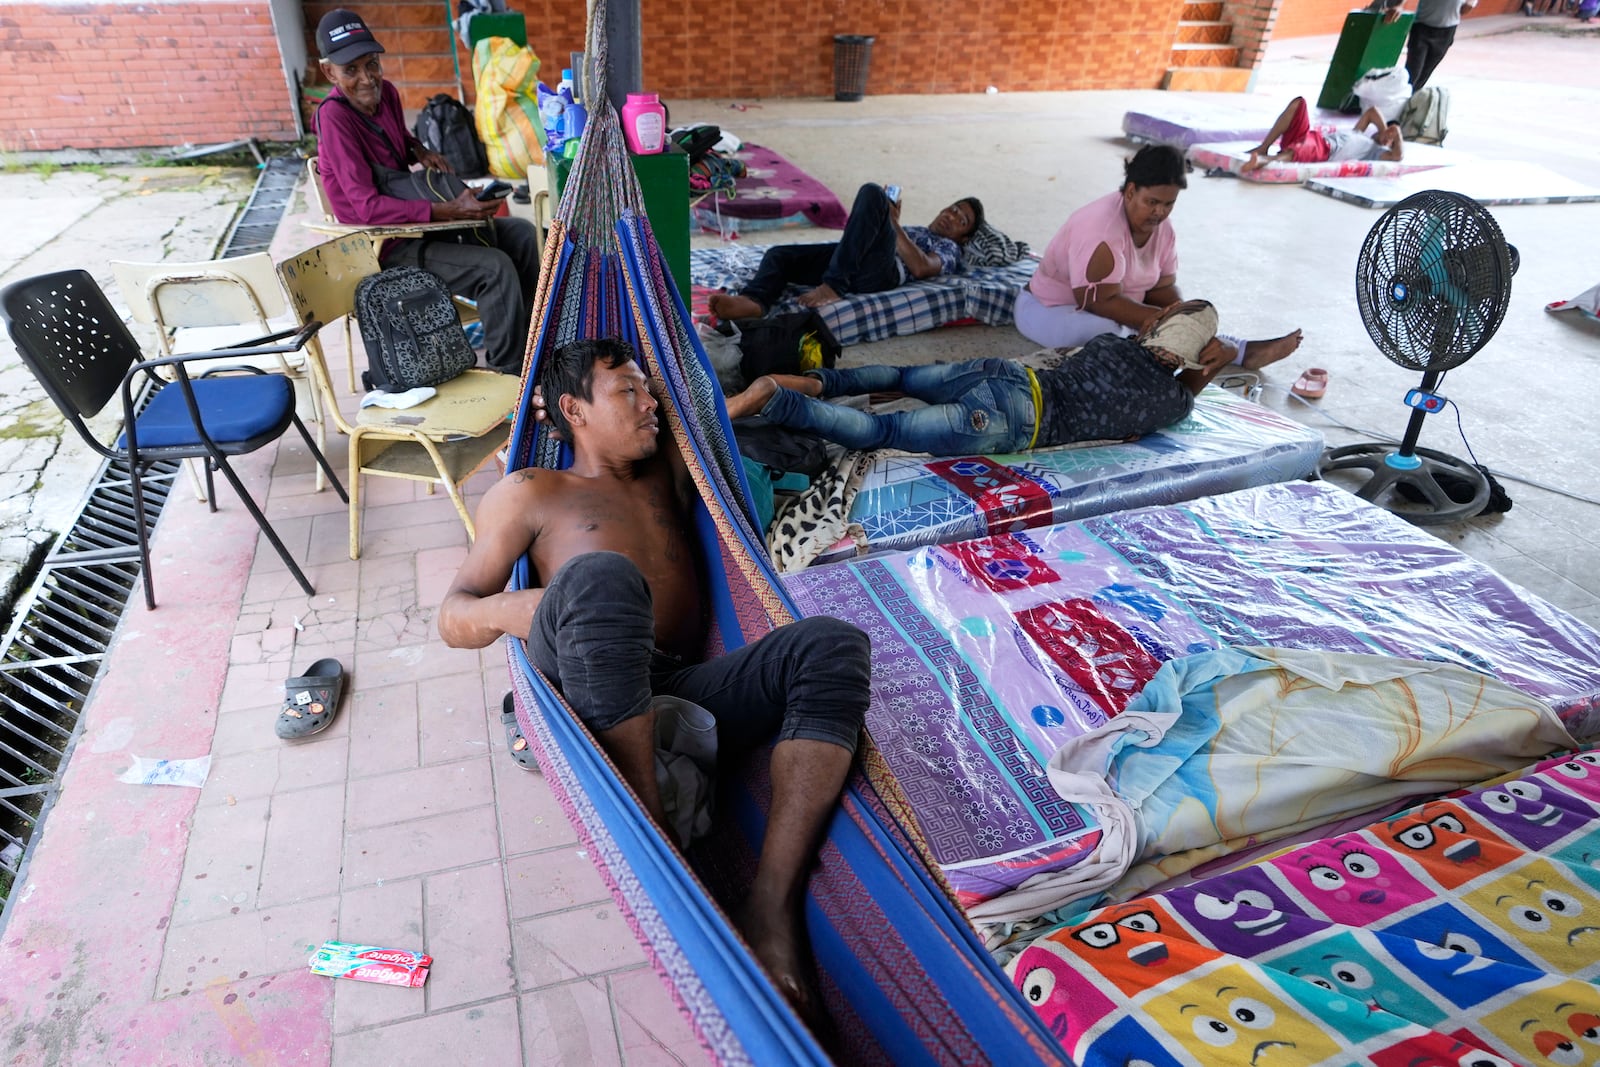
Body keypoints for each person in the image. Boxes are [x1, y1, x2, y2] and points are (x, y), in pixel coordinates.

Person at [437, 338, 871, 1027]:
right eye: (629, 393)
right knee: (603, 576)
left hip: (677, 684)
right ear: (574, 409)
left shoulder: (671, 465)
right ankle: (658, 846)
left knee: (832, 645)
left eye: (650, 392)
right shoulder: (531, 491)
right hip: (587, 675)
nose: (651, 406)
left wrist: (738, 388)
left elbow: (705, 410)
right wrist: (532, 607)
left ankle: (770, 906)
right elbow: (453, 616)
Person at [313, 8, 540, 376]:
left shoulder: (386, 94)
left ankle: (535, 347)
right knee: (494, 268)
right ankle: (510, 377)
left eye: (371, 64)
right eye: (350, 70)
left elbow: (399, 143)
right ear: (329, 72)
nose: (366, 78)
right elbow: (366, 208)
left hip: (420, 225)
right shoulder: (334, 118)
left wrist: (420, 150)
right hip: (384, 245)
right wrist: (450, 212)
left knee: (523, 235)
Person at [723, 301, 1234, 456]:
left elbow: (1142, 337)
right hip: (1012, 421)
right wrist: (1214, 363)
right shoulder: (1167, 402)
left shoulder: (1110, 345)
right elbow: (1187, 392)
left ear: (1156, 326)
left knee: (901, 376)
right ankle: (777, 399)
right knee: (886, 432)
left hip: (1008, 375)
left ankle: (815, 383)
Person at [1015, 145, 1302, 369]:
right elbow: (1096, 301)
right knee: (1105, 334)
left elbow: (1161, 288)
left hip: (1118, 313)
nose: (1160, 212)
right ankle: (1233, 351)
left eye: (1169, 204)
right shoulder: (1100, 227)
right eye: (1152, 202)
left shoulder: (1163, 229)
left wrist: (1185, 317)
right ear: (1130, 192)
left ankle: (1228, 348)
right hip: (1048, 310)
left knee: (1147, 331)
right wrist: (1169, 323)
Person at [707, 183, 983, 318]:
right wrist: (889, 223)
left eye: (962, 220)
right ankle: (755, 301)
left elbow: (922, 267)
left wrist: (892, 223)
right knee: (780, 255)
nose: (951, 216)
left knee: (873, 193)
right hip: (857, 260)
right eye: (954, 208)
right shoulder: (919, 231)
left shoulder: (949, 248)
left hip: (882, 274)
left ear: (964, 236)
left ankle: (833, 286)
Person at [1243, 97, 1404, 172]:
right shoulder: (1359, 132)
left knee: (1304, 148)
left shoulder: (1374, 151)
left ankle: (1266, 161)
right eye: (1386, 133)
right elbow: (1372, 112)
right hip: (1311, 137)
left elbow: (1397, 157)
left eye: (1391, 139)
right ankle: (1264, 148)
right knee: (1299, 103)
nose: (1387, 137)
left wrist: (1395, 134)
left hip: (1324, 150)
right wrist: (1385, 131)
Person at [1373, 0, 1478, 90]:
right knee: (1413, 73)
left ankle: (1408, 105)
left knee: (1424, 74)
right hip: (1422, 27)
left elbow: (1466, 8)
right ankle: (1399, 101)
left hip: (1447, 31)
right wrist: (1400, 5)